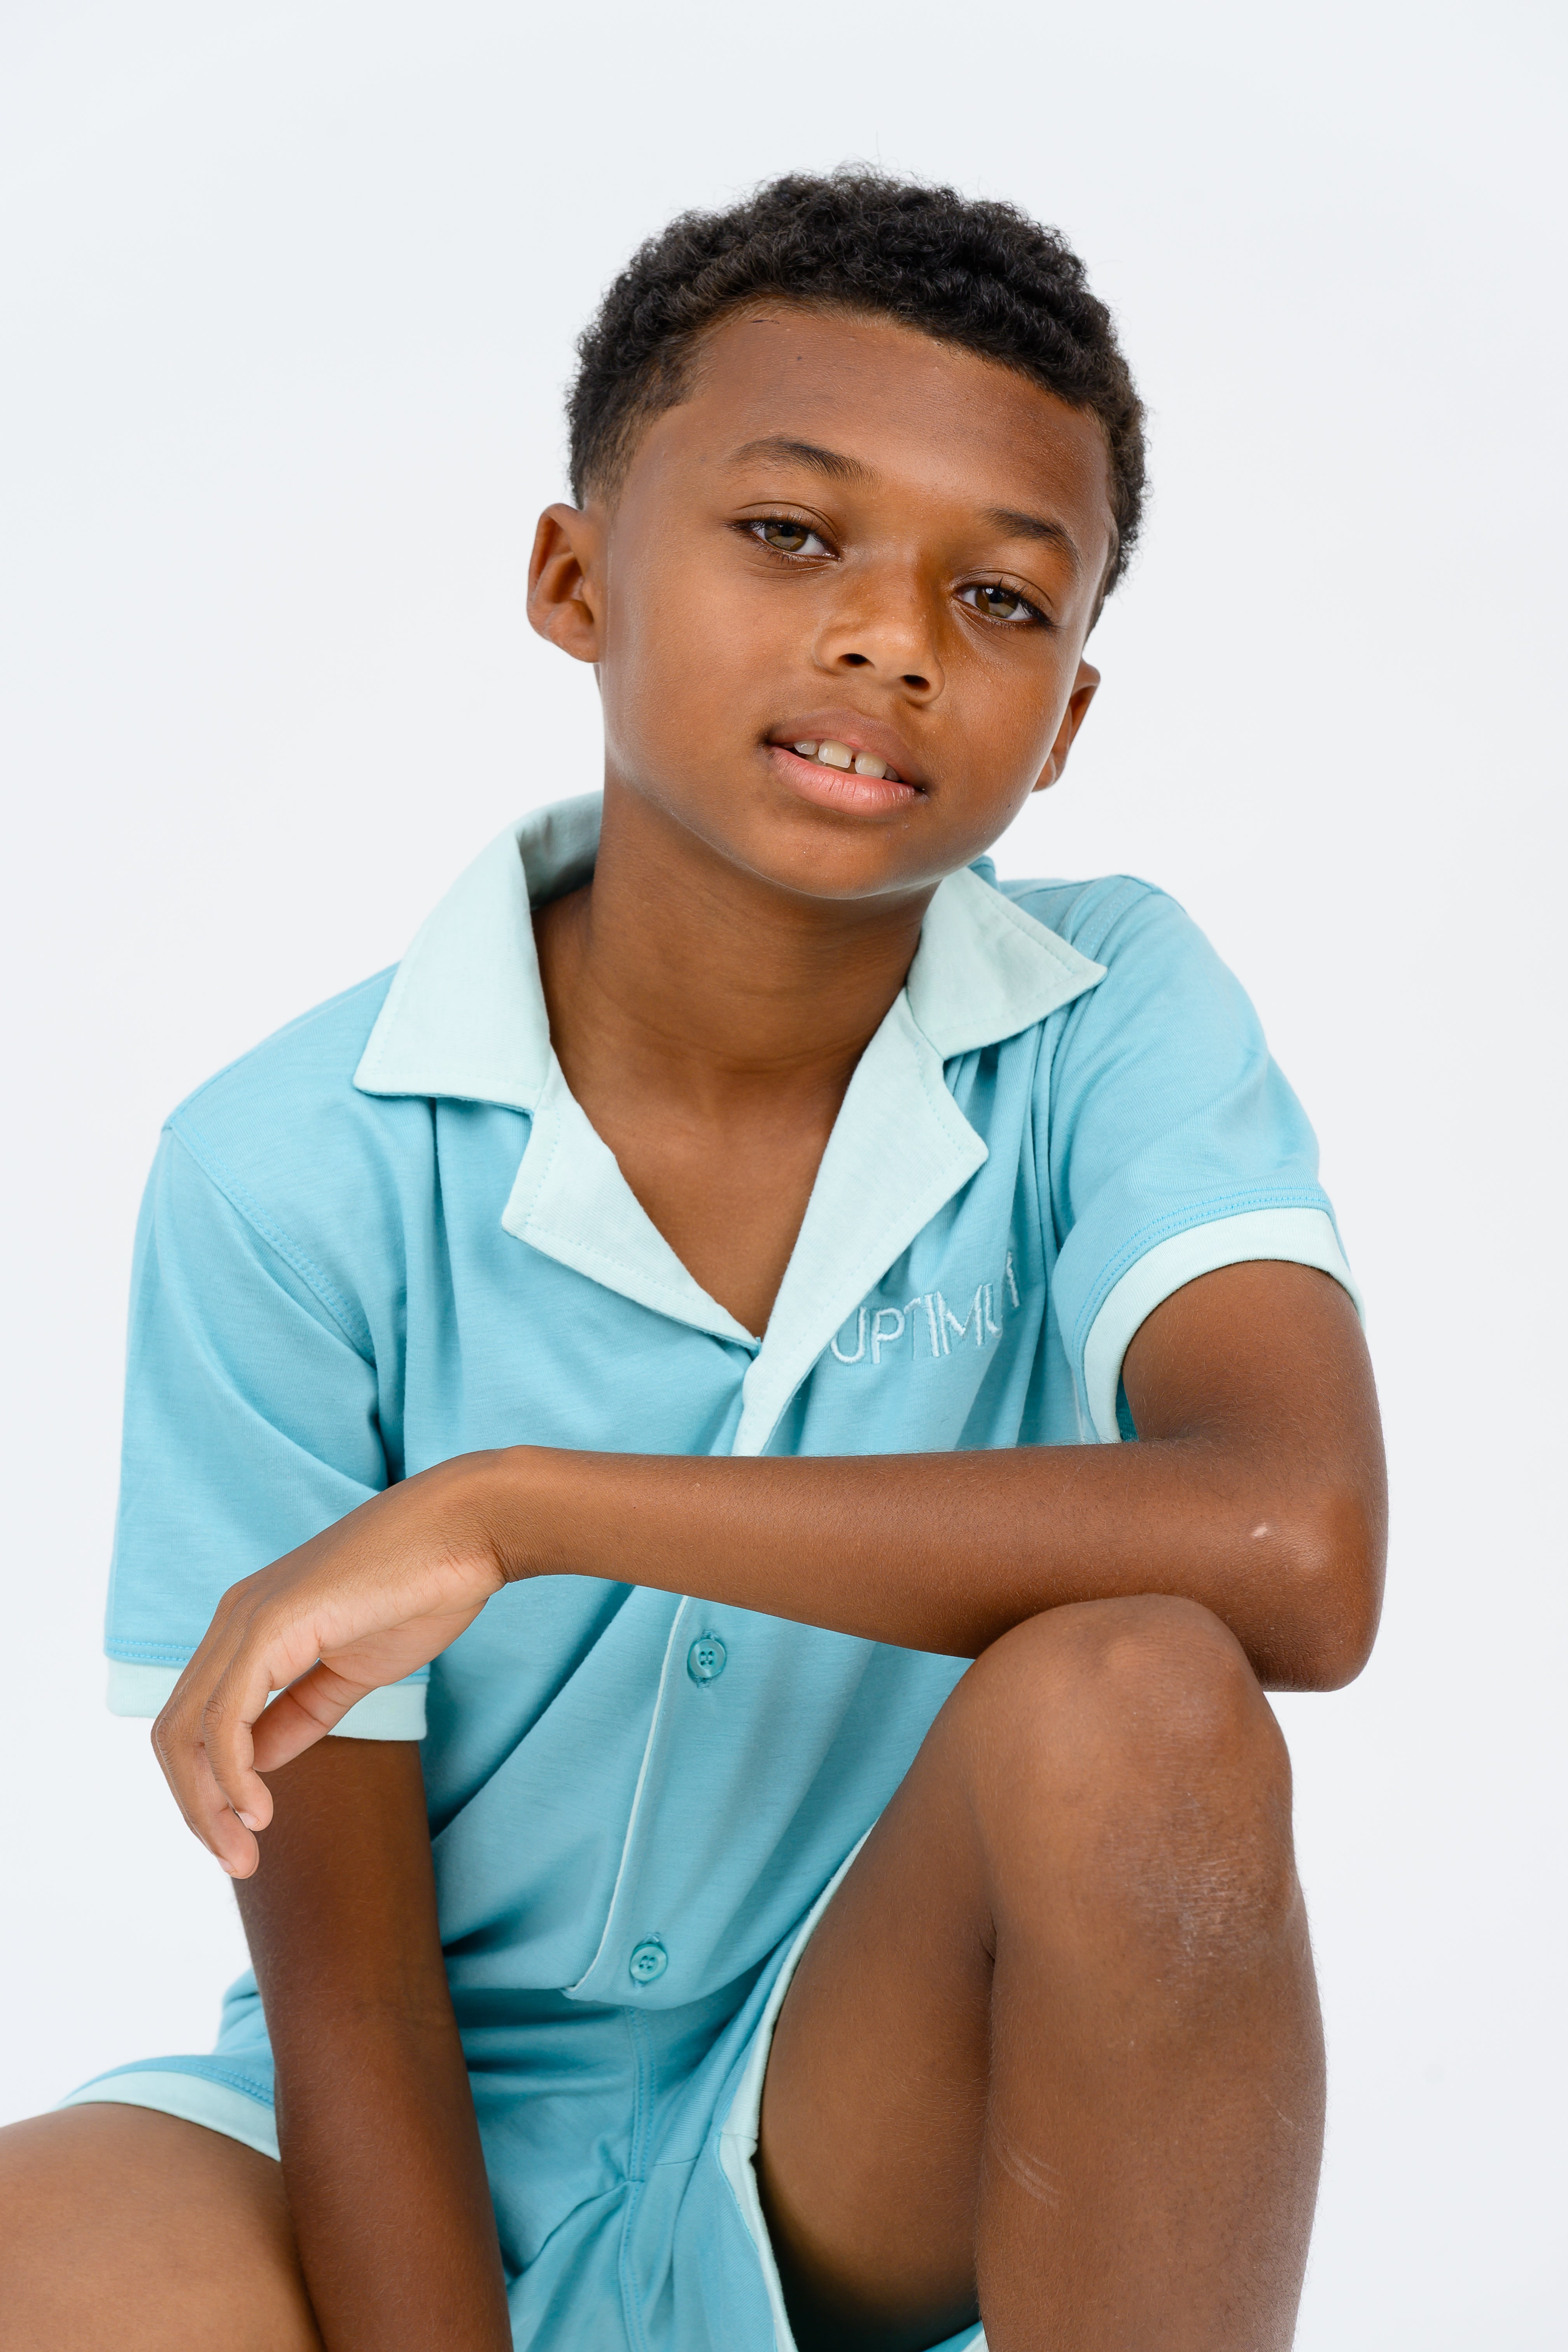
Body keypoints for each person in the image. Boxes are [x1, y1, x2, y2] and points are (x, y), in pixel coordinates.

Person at [0, 172, 1386, 2352]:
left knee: (1142, 1696)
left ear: (1067, 721)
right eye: (792, 533)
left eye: (1000, 598)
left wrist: (518, 1509)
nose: (892, 637)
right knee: (40, 2251)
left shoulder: (1110, 1018)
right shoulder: (285, 1172)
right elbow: (351, 1997)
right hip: (377, 2126)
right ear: (577, 579)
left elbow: (1298, 1547)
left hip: (862, 2121)